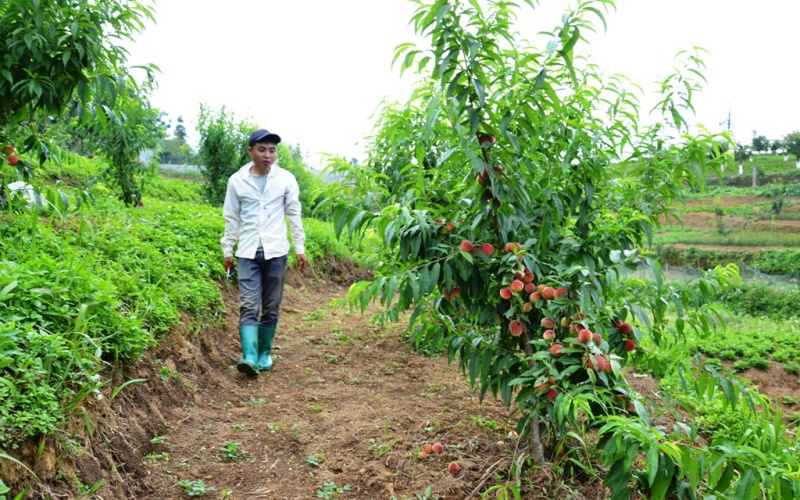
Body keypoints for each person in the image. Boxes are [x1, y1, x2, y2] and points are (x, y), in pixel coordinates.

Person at [221, 128, 308, 377]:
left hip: (277, 253)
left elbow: (293, 213)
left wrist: (300, 248)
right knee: (248, 306)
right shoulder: (237, 181)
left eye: (272, 150)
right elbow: (231, 217)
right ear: (251, 152)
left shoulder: (286, 180)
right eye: (262, 149)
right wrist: (228, 248)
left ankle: (263, 354)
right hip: (247, 253)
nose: (267, 155)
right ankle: (249, 357)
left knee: (271, 306)